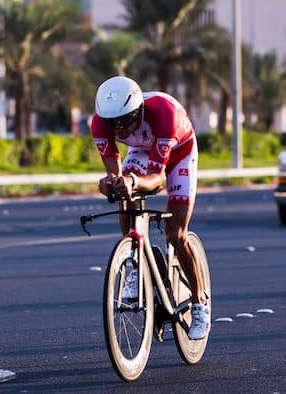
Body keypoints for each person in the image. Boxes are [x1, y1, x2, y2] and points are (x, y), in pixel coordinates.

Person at [90, 75, 210, 340]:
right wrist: (111, 183)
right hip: (143, 151)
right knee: (124, 188)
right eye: (113, 125)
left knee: (175, 233)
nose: (120, 131)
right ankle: (134, 262)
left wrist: (133, 181)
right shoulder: (100, 122)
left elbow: (156, 179)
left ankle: (200, 302)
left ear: (139, 110)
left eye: (125, 122)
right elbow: (114, 172)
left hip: (179, 152)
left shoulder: (163, 113)